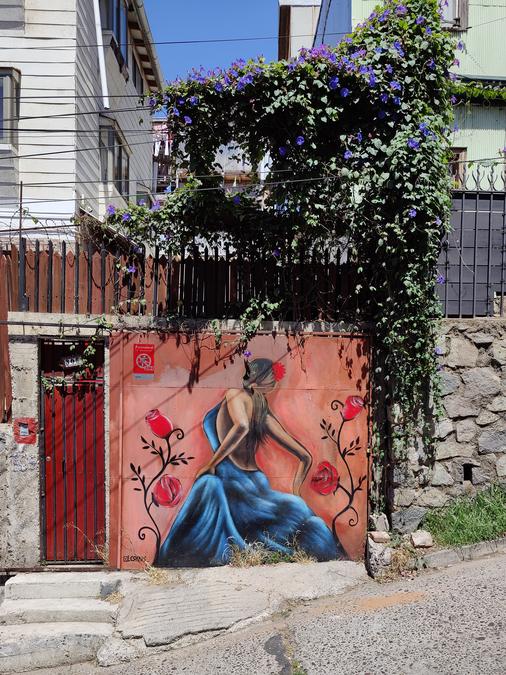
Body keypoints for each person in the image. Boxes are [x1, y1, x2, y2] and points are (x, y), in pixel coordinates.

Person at [157, 358, 345, 566]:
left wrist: (211, 464)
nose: (275, 382)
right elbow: (305, 456)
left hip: (234, 482)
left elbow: (241, 426)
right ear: (260, 379)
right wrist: (296, 491)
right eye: (272, 378)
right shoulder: (260, 409)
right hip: (257, 483)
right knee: (297, 514)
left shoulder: (235, 394)